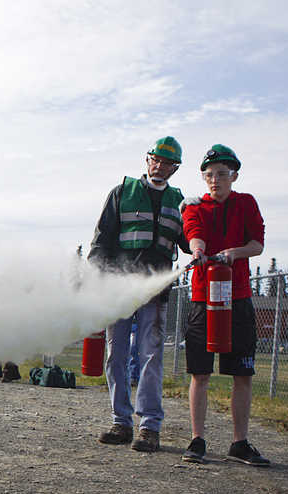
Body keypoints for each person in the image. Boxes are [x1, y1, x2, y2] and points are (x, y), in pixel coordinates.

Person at [88, 137, 191, 452]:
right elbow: (101, 240)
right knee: (115, 354)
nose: (160, 167)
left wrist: (201, 221)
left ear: (175, 168)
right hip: (119, 289)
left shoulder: (179, 202)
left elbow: (189, 242)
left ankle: (149, 427)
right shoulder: (122, 194)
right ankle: (121, 421)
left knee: (150, 356)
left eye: (168, 163)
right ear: (147, 160)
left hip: (155, 292)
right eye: (155, 160)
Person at [180, 144, 268, 466]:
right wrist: (198, 250)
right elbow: (194, 234)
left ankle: (239, 442)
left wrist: (234, 252)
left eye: (221, 174)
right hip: (203, 301)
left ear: (234, 175)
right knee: (199, 373)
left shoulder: (246, 204)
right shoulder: (195, 208)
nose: (214, 180)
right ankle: (197, 439)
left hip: (239, 299)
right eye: (208, 175)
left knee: (241, 374)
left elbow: (257, 244)